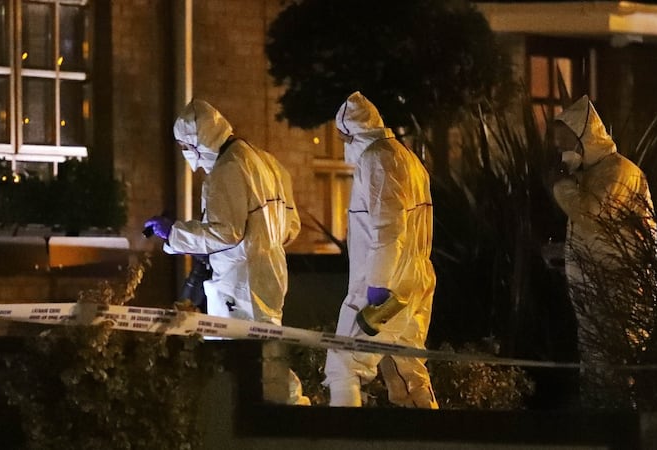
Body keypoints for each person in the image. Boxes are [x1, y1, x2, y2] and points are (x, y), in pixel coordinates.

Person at [144, 99, 309, 406]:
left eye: (184, 145)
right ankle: (291, 414)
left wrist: (174, 233)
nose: (184, 153)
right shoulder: (266, 162)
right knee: (266, 349)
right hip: (270, 270)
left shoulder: (226, 170)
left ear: (197, 140)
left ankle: (284, 418)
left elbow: (225, 232)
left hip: (239, 282)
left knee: (239, 359)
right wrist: (263, 242)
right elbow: (292, 227)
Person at [323, 91, 438, 408]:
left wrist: (377, 287)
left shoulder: (377, 159)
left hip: (383, 289)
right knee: (407, 375)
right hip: (414, 284)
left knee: (342, 366)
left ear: (350, 131)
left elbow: (389, 228)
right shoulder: (407, 158)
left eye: (341, 136)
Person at [551, 95, 657, 408]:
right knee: (598, 373)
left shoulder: (619, 172)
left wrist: (562, 185)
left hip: (618, 294)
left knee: (617, 374)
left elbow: (592, 215)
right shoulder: (592, 174)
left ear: (585, 138)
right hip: (595, 296)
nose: (561, 151)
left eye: (566, 142)